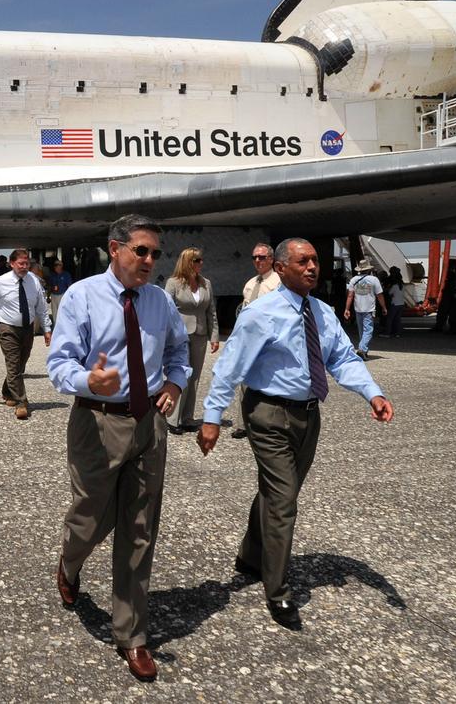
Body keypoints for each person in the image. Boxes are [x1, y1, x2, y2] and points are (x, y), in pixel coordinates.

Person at [198, 238, 393, 631]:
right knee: (283, 500)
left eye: (315, 261)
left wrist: (372, 393)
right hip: (268, 413)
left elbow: (341, 357)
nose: (312, 267)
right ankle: (277, 589)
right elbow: (230, 366)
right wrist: (212, 416)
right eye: (303, 261)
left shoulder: (321, 313)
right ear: (282, 267)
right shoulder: (260, 313)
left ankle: (250, 555)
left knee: (278, 493)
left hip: (308, 415)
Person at [47, 214, 190, 682]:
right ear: (115, 248)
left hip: (148, 424)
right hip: (96, 422)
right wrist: (88, 378)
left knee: (140, 527)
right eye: (141, 251)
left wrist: (173, 381)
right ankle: (70, 562)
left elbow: (178, 349)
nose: (150, 261)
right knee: (90, 514)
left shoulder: (159, 301)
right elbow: (59, 362)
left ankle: (132, 634)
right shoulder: (82, 295)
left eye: (155, 253)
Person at [0, 248, 52, 420]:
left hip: (27, 328)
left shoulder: (34, 281)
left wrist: (47, 329)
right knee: (13, 363)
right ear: (12, 264)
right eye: (21, 263)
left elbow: (41, 307)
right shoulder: (0, 282)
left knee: (21, 364)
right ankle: (21, 402)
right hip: (7, 327)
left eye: (26, 263)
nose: (24, 266)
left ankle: (8, 392)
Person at [162, 248, 219, 435]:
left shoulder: (206, 283)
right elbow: (165, 312)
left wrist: (214, 336)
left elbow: (211, 311)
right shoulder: (173, 283)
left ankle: (187, 418)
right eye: (197, 260)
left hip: (200, 334)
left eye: (201, 260)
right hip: (179, 335)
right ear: (187, 262)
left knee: (194, 377)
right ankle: (172, 418)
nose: (200, 263)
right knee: (180, 374)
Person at [232, 242, 282, 438]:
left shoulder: (278, 282)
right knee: (244, 382)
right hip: (249, 339)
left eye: (262, 257)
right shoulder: (251, 283)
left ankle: (267, 422)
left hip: (268, 340)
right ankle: (243, 424)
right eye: (255, 257)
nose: (258, 261)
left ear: (271, 259)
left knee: (268, 381)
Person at [344, 261, 386, 360]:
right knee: (368, 331)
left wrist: (347, 309)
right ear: (369, 269)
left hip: (358, 308)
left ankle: (364, 351)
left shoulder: (354, 279)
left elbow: (350, 295)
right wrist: (384, 307)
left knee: (361, 331)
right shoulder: (374, 279)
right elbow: (379, 295)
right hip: (369, 308)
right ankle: (362, 350)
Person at [48, 259, 73, 326]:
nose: (55, 267)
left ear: (61, 266)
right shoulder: (52, 275)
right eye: (55, 265)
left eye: (57, 265)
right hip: (53, 295)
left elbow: (70, 286)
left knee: (63, 312)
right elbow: (50, 286)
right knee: (54, 312)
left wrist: (70, 297)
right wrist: (48, 296)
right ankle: (56, 326)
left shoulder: (66, 274)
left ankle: (64, 326)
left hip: (63, 295)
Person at [384, 267, 405, 338]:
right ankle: (397, 333)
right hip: (401, 303)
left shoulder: (393, 284)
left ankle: (387, 332)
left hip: (394, 303)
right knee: (397, 319)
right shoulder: (402, 284)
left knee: (389, 319)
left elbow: (389, 292)